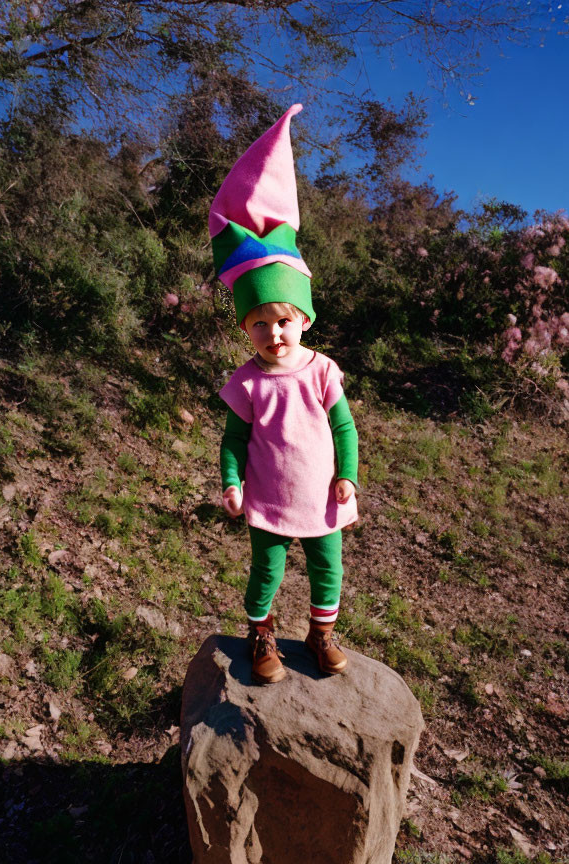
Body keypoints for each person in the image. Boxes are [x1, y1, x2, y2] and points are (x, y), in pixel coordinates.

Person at [209, 105, 359, 684]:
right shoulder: (247, 381)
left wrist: (347, 474)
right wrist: (230, 482)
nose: (273, 333)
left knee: (328, 567)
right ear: (246, 328)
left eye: (284, 322)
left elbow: (343, 427)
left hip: (322, 496)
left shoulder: (322, 371)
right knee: (265, 568)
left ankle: (321, 635)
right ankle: (262, 635)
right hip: (268, 499)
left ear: (304, 321)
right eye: (260, 324)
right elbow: (234, 439)